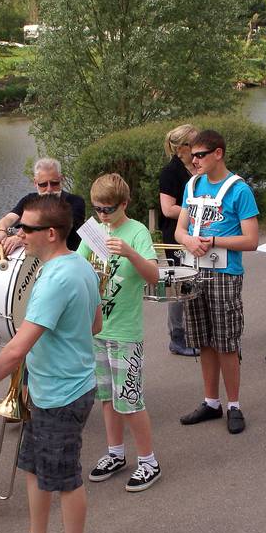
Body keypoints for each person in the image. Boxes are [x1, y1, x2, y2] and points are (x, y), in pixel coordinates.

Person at [0, 195, 102, 533]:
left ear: (50, 233)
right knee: (32, 467)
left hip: (62, 392)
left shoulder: (56, 278)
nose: (18, 235)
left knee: (65, 478)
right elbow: (94, 324)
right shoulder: (79, 264)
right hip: (49, 386)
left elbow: (15, 349)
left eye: (25, 229)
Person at [78, 174, 163, 491]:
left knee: (130, 399)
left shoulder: (137, 231)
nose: (102, 215)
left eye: (108, 209)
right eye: (97, 208)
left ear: (124, 204)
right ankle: (115, 453)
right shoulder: (93, 230)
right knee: (106, 396)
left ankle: (148, 461)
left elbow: (154, 276)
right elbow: (77, 265)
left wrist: (130, 253)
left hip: (126, 332)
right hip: (97, 330)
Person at [175, 129, 260, 434]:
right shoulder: (192, 185)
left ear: (218, 153)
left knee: (226, 341)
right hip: (194, 270)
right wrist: (188, 240)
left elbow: (251, 240)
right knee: (203, 340)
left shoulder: (239, 190)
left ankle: (234, 405)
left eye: (200, 155)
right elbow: (179, 230)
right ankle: (211, 401)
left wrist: (213, 240)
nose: (194, 160)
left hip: (224, 274)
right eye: (192, 155)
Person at [157, 124, 200, 357]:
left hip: (198, 234)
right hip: (176, 236)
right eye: (194, 142)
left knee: (198, 281)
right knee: (179, 285)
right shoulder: (170, 172)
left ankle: (196, 331)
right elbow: (167, 208)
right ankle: (177, 337)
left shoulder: (198, 166)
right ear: (182, 147)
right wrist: (196, 212)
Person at [0, 158, 87, 253]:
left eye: (54, 183)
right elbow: (9, 218)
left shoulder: (75, 202)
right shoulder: (29, 200)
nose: (49, 189)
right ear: (35, 183)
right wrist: (0, 230)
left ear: (61, 179)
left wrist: (22, 238)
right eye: (43, 184)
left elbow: (60, 229)